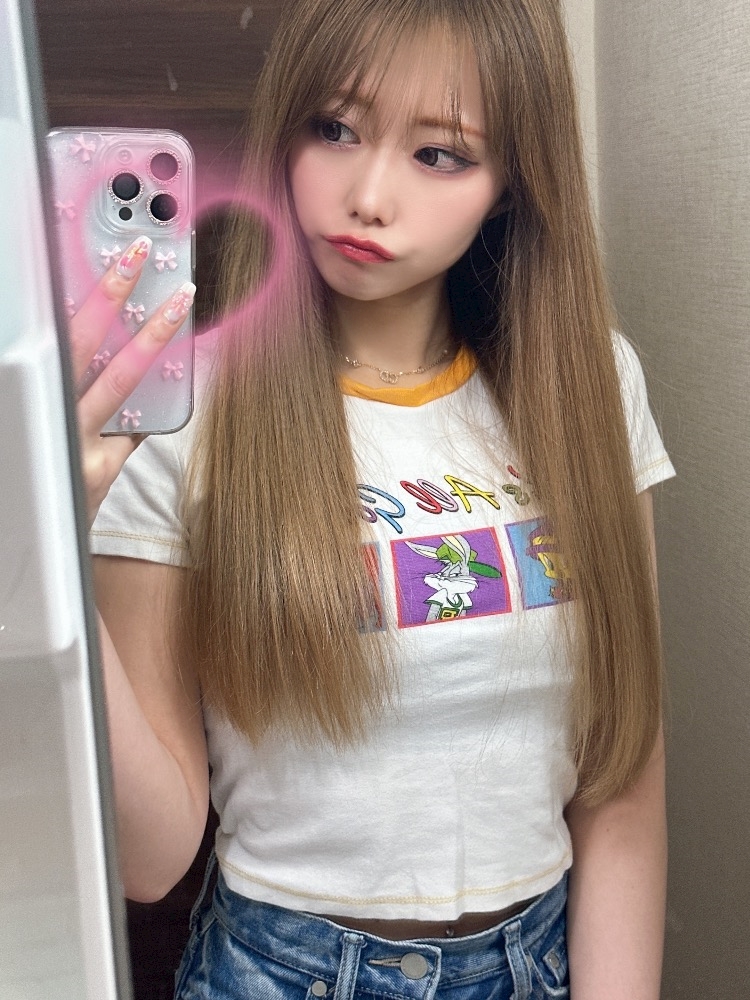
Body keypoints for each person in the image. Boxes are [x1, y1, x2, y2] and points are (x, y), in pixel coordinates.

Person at [76, 0, 675, 997]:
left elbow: (621, 783)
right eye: (336, 128)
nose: (367, 196)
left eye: (440, 154)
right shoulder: (185, 410)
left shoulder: (591, 389)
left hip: (537, 963)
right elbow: (151, 857)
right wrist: (47, 548)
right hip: (280, 970)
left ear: (512, 181)